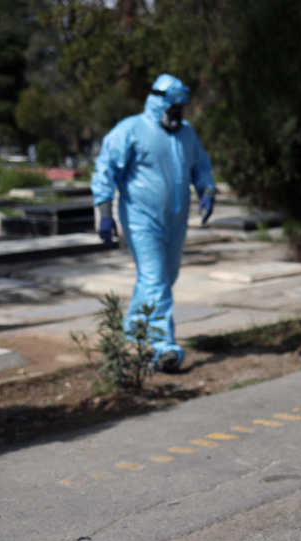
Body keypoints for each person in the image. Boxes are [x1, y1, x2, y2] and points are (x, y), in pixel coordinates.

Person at [92, 73, 216, 373]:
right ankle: (164, 348)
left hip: (176, 220)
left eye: (181, 109)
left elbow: (200, 164)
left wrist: (207, 189)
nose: (178, 114)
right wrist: (104, 212)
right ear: (158, 102)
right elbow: (105, 169)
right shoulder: (131, 130)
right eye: (173, 108)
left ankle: (135, 331)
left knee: (163, 277)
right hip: (141, 219)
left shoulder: (186, 134)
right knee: (155, 278)